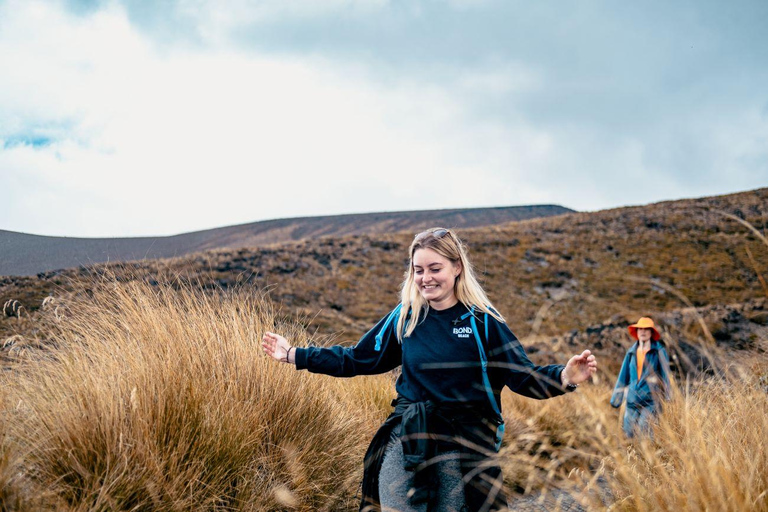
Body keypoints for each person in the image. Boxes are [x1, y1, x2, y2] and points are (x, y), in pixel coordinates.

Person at [262, 227, 598, 512]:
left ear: (456, 268)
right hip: (409, 436)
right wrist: (294, 354)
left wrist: (565, 377)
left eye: (434, 268)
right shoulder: (406, 317)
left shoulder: (484, 323)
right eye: (418, 270)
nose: (425, 278)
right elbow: (357, 359)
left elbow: (521, 376)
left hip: (463, 443)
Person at [610, 317, 672, 438]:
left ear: (651, 332)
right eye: (640, 329)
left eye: (646, 329)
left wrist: (668, 396)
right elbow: (623, 376)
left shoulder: (659, 351)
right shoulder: (631, 352)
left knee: (645, 432)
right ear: (637, 332)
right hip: (632, 400)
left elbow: (666, 375)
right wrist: (616, 398)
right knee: (628, 433)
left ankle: (647, 457)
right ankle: (631, 457)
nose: (642, 332)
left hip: (650, 401)